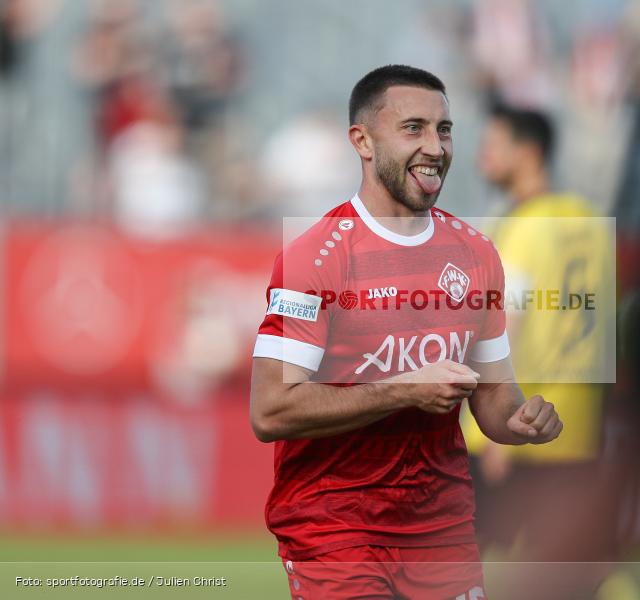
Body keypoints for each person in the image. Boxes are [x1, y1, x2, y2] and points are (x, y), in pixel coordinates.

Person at [249, 65, 563, 600]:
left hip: (441, 529)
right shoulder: (314, 258)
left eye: (444, 130)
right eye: (413, 128)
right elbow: (270, 410)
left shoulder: (477, 254)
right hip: (335, 526)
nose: (435, 147)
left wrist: (523, 418)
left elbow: (493, 399)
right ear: (363, 142)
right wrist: (402, 389)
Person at [462, 104, 612, 593]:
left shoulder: (523, 226)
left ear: (528, 153)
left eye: (494, 145)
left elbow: (512, 324)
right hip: (578, 425)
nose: (483, 156)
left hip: (516, 424)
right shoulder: (589, 221)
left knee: (454, 559)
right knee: (577, 568)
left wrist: (503, 422)